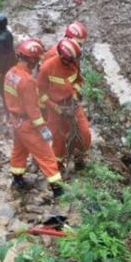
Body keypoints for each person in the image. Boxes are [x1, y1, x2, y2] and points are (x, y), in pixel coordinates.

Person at [3, 38, 63, 198]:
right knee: (46, 155)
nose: (37, 63)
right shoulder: (28, 81)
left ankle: (17, 179)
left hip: (15, 121)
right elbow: (32, 109)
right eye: (36, 59)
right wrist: (43, 128)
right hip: (27, 124)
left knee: (20, 150)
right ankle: (58, 189)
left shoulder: (10, 73)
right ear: (31, 59)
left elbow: (9, 98)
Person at [38, 38, 92, 171]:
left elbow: (78, 81)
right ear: (64, 58)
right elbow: (40, 93)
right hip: (55, 107)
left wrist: (75, 95)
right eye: (72, 60)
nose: (74, 63)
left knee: (84, 133)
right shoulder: (47, 68)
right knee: (58, 139)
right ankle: (58, 166)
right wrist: (57, 108)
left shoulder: (73, 64)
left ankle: (79, 158)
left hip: (71, 103)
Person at [0, 13, 17, 110]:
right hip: (12, 63)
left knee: (3, 89)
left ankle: (9, 110)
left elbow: (2, 57)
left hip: (5, 67)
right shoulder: (7, 33)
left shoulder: (0, 39)